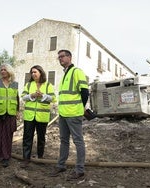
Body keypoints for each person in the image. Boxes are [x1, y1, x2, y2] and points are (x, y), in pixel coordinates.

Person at [50, 50, 89, 180]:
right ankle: (61, 165)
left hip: (73, 113)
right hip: (63, 114)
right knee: (64, 141)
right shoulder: (65, 74)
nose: (60, 59)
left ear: (69, 57)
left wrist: (82, 108)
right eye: (59, 57)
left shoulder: (76, 72)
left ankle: (80, 169)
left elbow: (84, 91)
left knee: (78, 141)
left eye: (62, 56)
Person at [20, 65, 56, 168]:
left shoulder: (48, 85)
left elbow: (53, 98)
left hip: (42, 116)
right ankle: (26, 159)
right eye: (32, 72)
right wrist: (32, 95)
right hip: (29, 116)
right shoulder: (28, 85)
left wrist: (43, 95)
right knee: (27, 138)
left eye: (35, 72)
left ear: (40, 72)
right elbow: (23, 97)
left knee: (41, 138)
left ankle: (40, 157)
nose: (33, 74)